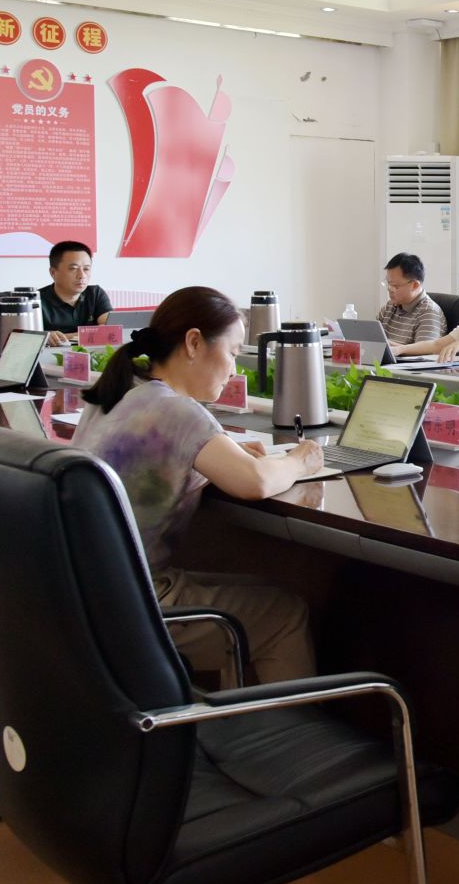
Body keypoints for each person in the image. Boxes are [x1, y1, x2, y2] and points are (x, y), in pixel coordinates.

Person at [73, 286, 322, 684]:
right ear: (193, 343)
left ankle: (232, 718)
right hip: (135, 605)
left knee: (265, 590)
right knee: (284, 615)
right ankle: (280, 725)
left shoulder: (118, 391)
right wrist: (299, 459)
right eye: (233, 352)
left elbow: (160, 458)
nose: (234, 369)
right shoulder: (178, 410)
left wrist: (222, 454)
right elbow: (256, 482)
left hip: (83, 595)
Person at [38, 240, 114, 345]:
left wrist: (58, 337)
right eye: (73, 269)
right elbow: (26, 338)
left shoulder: (95, 294)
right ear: (53, 272)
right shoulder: (35, 301)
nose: (82, 276)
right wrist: (93, 333)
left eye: (86, 269)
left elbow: (110, 329)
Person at [378, 252, 447, 349]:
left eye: (395, 286)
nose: (389, 289)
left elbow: (424, 353)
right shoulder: (389, 307)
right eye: (388, 283)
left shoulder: (429, 312)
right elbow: (372, 339)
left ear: (415, 285)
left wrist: (386, 345)